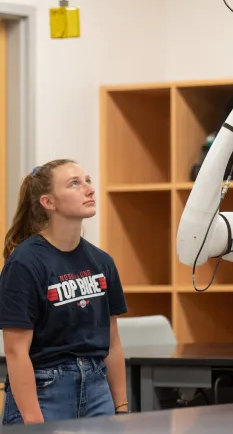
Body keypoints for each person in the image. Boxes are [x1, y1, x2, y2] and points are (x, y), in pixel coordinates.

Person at [0, 159, 130, 425]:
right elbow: (15, 351)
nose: (89, 189)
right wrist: (34, 422)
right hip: (45, 391)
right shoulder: (24, 264)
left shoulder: (102, 262)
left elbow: (113, 341)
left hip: (97, 388)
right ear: (49, 202)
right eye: (74, 184)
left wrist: (122, 408)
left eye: (87, 181)